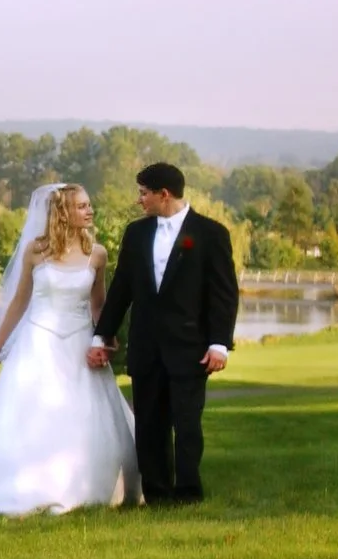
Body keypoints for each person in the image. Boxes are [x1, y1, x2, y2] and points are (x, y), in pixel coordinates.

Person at [0, 183, 141, 517]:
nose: (90, 211)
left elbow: (98, 303)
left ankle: (88, 488)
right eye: (82, 206)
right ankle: (22, 488)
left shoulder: (98, 253)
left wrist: (104, 337)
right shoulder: (36, 250)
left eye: (90, 205)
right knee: (31, 415)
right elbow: (19, 302)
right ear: (63, 212)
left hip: (79, 343)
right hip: (39, 342)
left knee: (88, 416)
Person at [89, 161, 239, 504]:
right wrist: (102, 335)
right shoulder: (136, 233)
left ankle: (187, 493)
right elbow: (121, 290)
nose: (140, 200)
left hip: (191, 348)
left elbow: (224, 295)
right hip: (145, 347)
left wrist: (219, 344)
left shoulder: (210, 234)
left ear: (164, 194)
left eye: (144, 193)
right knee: (149, 426)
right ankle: (157, 496)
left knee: (187, 425)